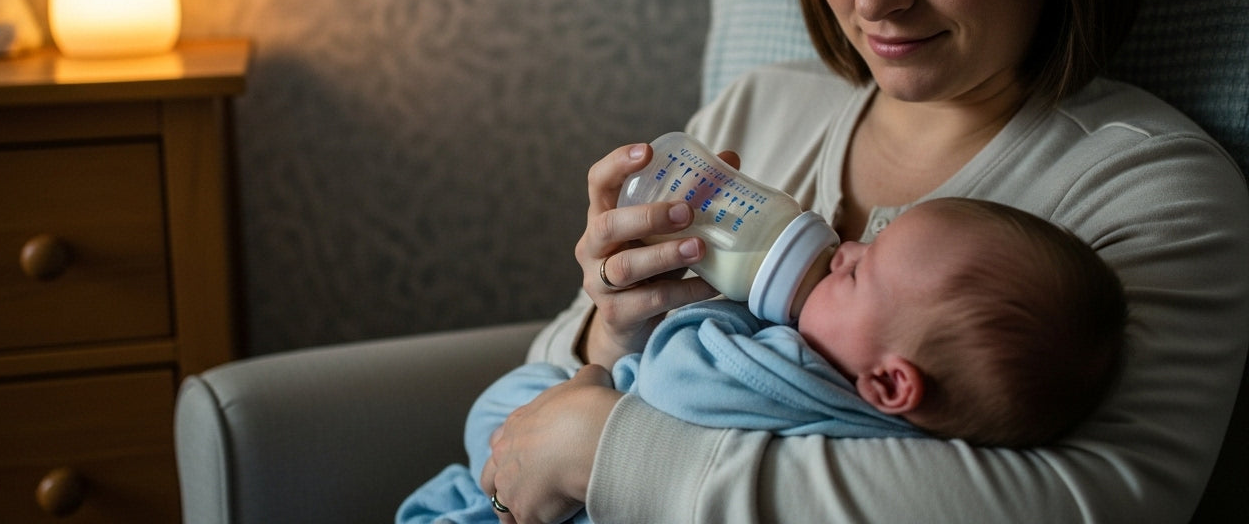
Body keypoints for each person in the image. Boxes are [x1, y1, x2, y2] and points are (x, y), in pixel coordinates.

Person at [478, 0, 1249, 522]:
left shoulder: (1150, 185)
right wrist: (610, 325)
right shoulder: (758, 110)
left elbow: (1083, 504)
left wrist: (608, 451)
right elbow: (521, 427)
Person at [401, 198, 1126, 524]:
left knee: (503, 409)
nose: (844, 247)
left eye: (857, 273)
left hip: (603, 481)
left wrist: (733, 300)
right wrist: (611, 323)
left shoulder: (783, 373)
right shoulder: (886, 404)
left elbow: (674, 374)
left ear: (890, 381)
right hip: (585, 441)